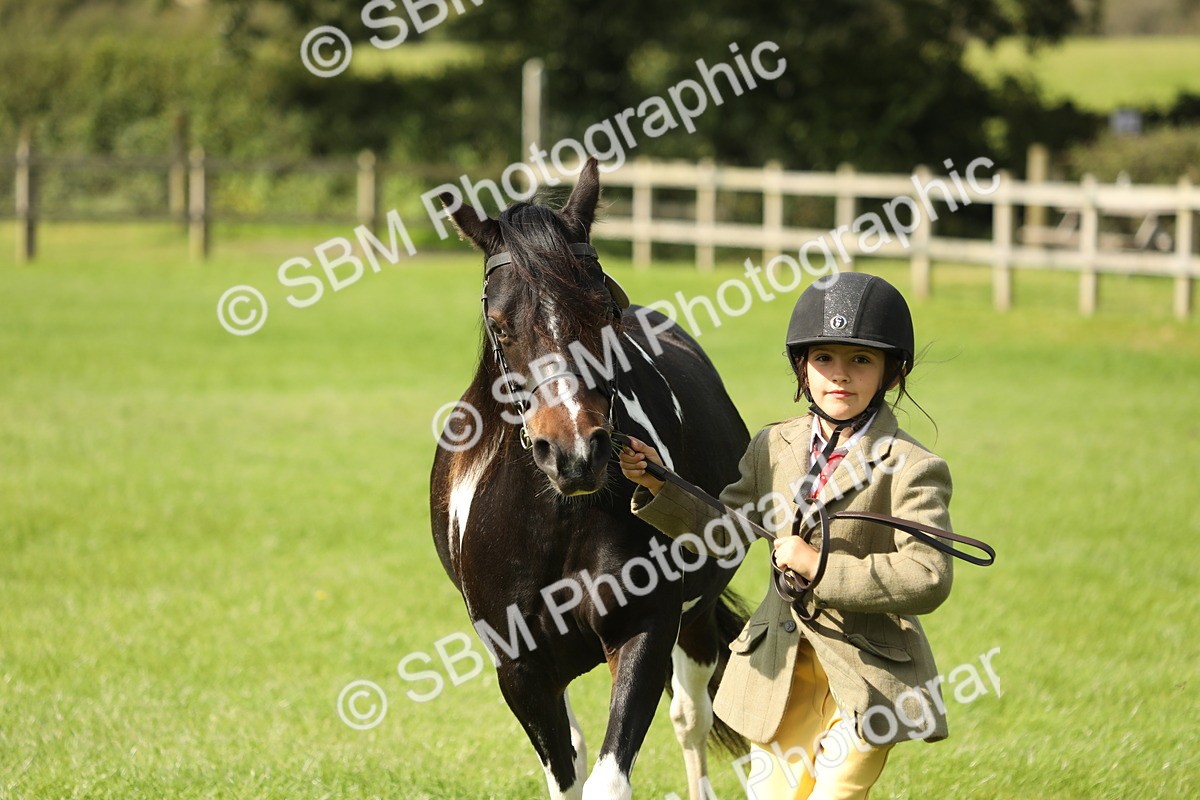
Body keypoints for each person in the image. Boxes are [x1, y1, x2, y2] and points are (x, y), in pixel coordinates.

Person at [619, 272, 954, 800]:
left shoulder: (913, 466)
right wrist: (659, 482)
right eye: (824, 359)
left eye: (861, 360)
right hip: (777, 669)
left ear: (892, 372)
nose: (839, 376)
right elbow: (724, 533)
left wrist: (818, 565)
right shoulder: (773, 444)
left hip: (865, 679)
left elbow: (929, 575)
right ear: (803, 366)